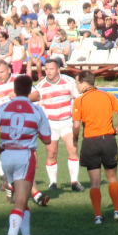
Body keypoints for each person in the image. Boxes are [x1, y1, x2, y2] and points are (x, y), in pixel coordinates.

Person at [0, 75, 50, 235]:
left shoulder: (2, 107)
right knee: (21, 200)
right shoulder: (37, 110)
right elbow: (47, 139)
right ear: (30, 90)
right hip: (24, 156)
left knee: (22, 198)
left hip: (6, 156)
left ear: (14, 88)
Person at [72, 71, 118, 225]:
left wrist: (75, 139)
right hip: (108, 140)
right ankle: (117, 211)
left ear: (84, 83)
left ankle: (98, 216)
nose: (76, 86)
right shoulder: (107, 95)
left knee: (95, 182)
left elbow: (76, 125)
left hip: (90, 142)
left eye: (77, 83)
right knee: (112, 178)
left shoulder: (79, 100)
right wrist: (117, 129)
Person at [35, 59, 84, 192]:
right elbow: (37, 108)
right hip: (50, 124)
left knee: (73, 150)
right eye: (46, 69)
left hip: (67, 121)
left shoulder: (69, 82)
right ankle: (53, 183)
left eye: (51, 69)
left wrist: (76, 118)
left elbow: (78, 99)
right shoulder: (40, 87)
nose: (48, 72)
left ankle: (74, 181)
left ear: (58, 70)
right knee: (51, 153)